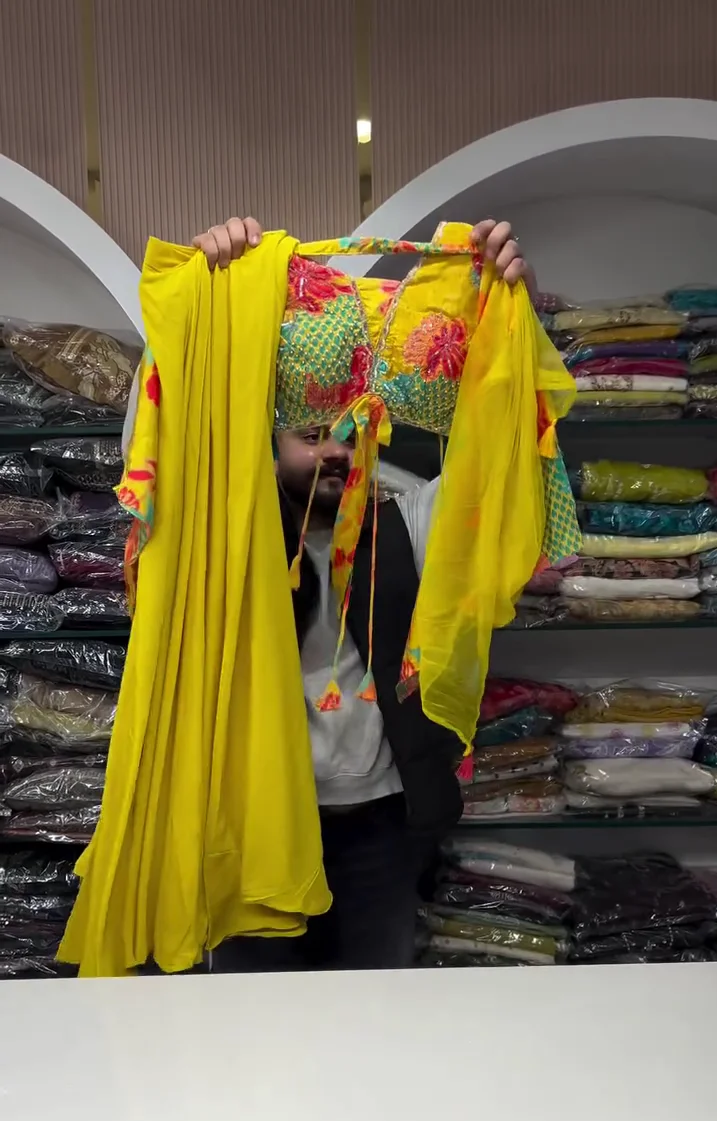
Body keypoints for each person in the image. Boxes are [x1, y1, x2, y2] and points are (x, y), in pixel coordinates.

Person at [192, 215, 536, 973]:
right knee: (256, 1022)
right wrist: (201, 299)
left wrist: (510, 320)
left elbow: (498, 463)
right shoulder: (227, 538)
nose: (337, 450)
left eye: (352, 431)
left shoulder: (406, 516)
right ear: (268, 444)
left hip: (382, 826)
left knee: (377, 1021)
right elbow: (152, 457)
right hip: (256, 825)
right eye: (312, 433)